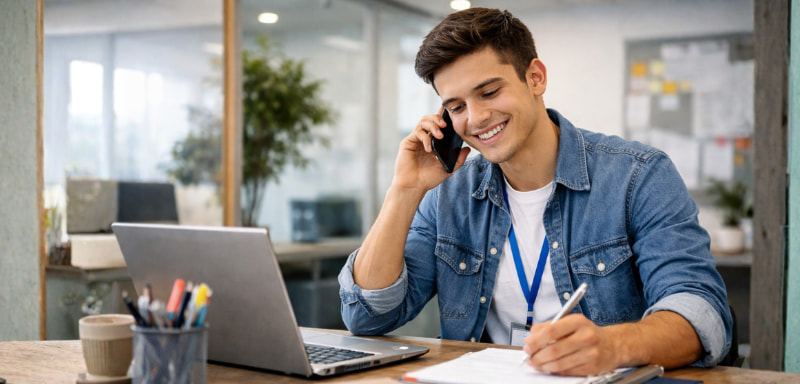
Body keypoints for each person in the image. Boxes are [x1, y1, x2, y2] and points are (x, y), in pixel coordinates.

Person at [338, 7, 732, 375]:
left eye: (489, 92)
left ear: (536, 78)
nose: (475, 119)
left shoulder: (638, 175)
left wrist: (613, 345)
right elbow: (368, 315)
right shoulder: (449, 195)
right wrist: (404, 190)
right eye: (455, 107)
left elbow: (701, 312)